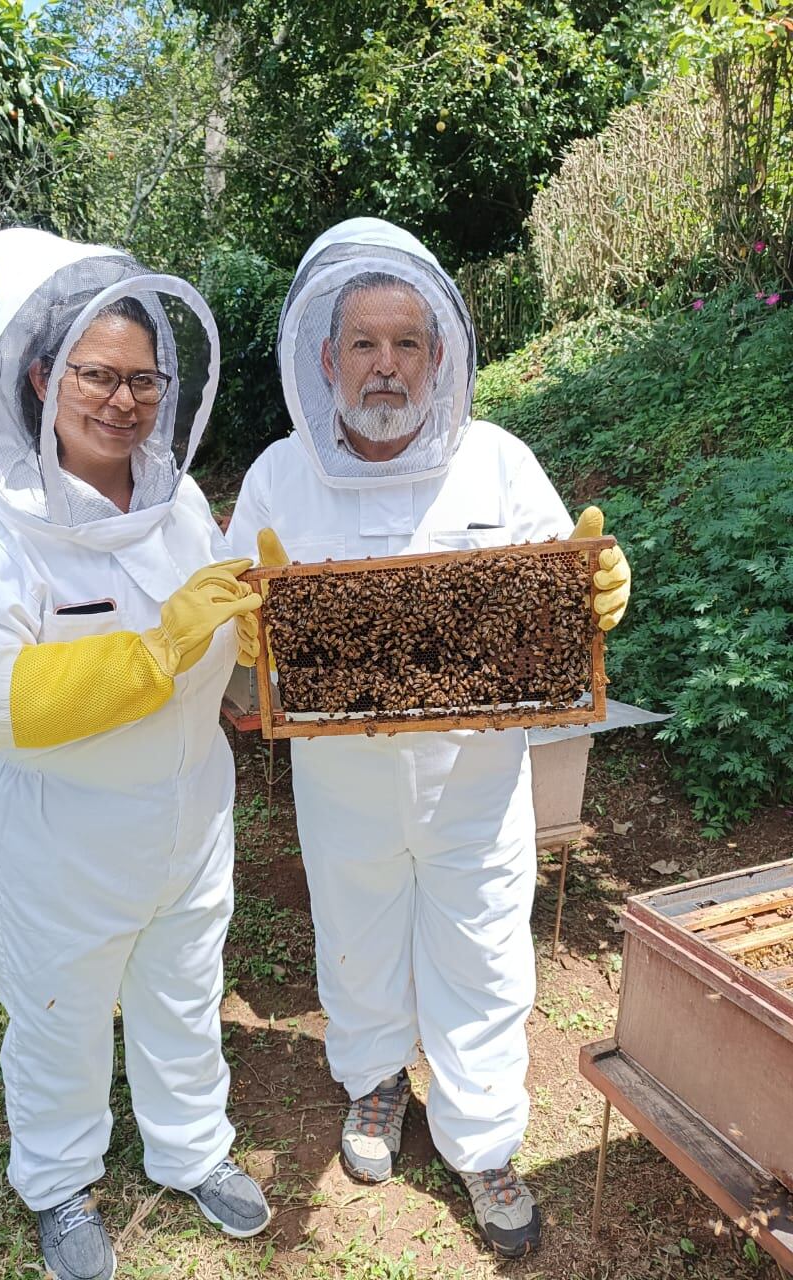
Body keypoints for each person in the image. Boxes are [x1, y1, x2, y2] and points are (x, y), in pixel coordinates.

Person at [227, 218, 630, 1259]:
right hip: (341, 776)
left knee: (485, 949)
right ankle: (372, 1082)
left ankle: (483, 1136)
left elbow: (564, 580)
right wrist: (243, 626)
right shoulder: (279, 476)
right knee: (356, 935)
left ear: (439, 354)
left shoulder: (497, 463)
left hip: (476, 776)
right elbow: (234, 633)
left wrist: (589, 593)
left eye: (408, 342)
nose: (386, 363)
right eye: (365, 342)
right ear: (326, 359)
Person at [0, 228, 272, 1280]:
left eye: (142, 378)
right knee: (59, 1014)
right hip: (60, 843)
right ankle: (60, 1179)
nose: (122, 399)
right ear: (40, 378)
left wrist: (253, 648)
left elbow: (229, 668)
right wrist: (157, 649)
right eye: (95, 375)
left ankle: (190, 1148)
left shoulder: (180, 515)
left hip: (189, 822)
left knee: (182, 991)